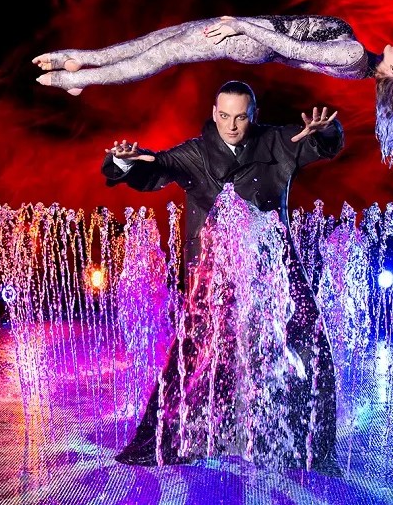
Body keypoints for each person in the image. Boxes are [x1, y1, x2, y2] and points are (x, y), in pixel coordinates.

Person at [101, 80, 344, 475]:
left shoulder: (276, 142)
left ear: (253, 116)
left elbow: (321, 144)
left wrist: (327, 131)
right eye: (225, 116)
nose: (232, 125)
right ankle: (181, 435)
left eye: (241, 117)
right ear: (215, 114)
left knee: (308, 340)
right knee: (196, 351)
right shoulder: (196, 152)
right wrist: (125, 163)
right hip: (215, 273)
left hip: (273, 266)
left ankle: (307, 444)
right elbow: (156, 166)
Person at [37, 14, 393, 166]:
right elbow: (294, 53)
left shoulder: (352, 54)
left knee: (160, 53)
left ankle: (75, 77)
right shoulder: (357, 65)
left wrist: (240, 26)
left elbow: (290, 48)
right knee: (158, 41)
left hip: (249, 38)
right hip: (250, 33)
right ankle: (79, 64)